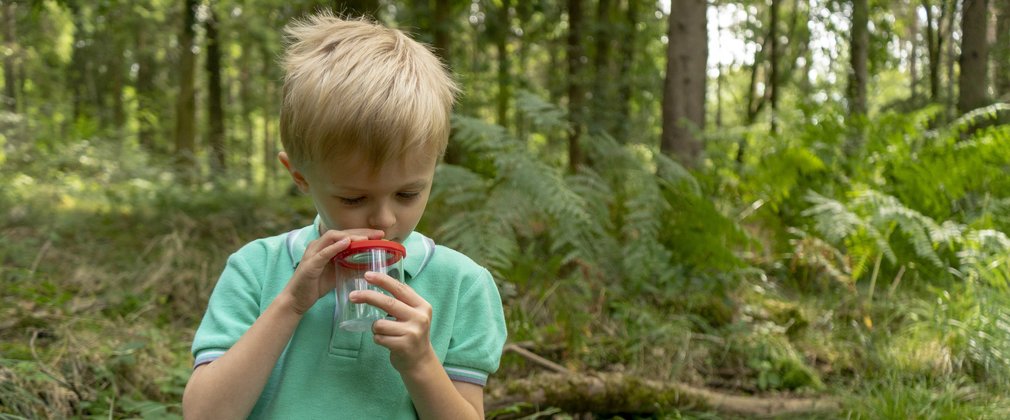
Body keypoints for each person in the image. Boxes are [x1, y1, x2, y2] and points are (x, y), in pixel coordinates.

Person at [182, 12, 507, 419]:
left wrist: (422, 364)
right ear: (300, 177)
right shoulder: (256, 269)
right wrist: (290, 305)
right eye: (353, 199)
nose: (383, 219)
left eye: (408, 193)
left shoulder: (461, 285)